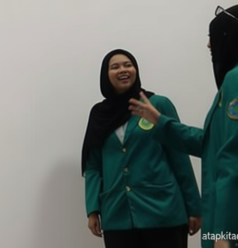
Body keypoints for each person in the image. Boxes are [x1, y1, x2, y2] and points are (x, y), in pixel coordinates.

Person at [129, 4, 238, 248]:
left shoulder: (235, 79)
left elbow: (232, 160)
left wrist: (225, 233)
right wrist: (161, 122)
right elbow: (210, 143)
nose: (209, 45)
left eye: (213, 36)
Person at [82, 48, 202, 248]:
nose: (123, 70)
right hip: (117, 215)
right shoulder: (99, 115)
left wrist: (194, 208)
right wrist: (93, 210)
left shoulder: (156, 104)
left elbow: (179, 156)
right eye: (115, 67)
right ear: (105, 75)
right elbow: (93, 165)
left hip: (164, 212)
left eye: (128, 65)